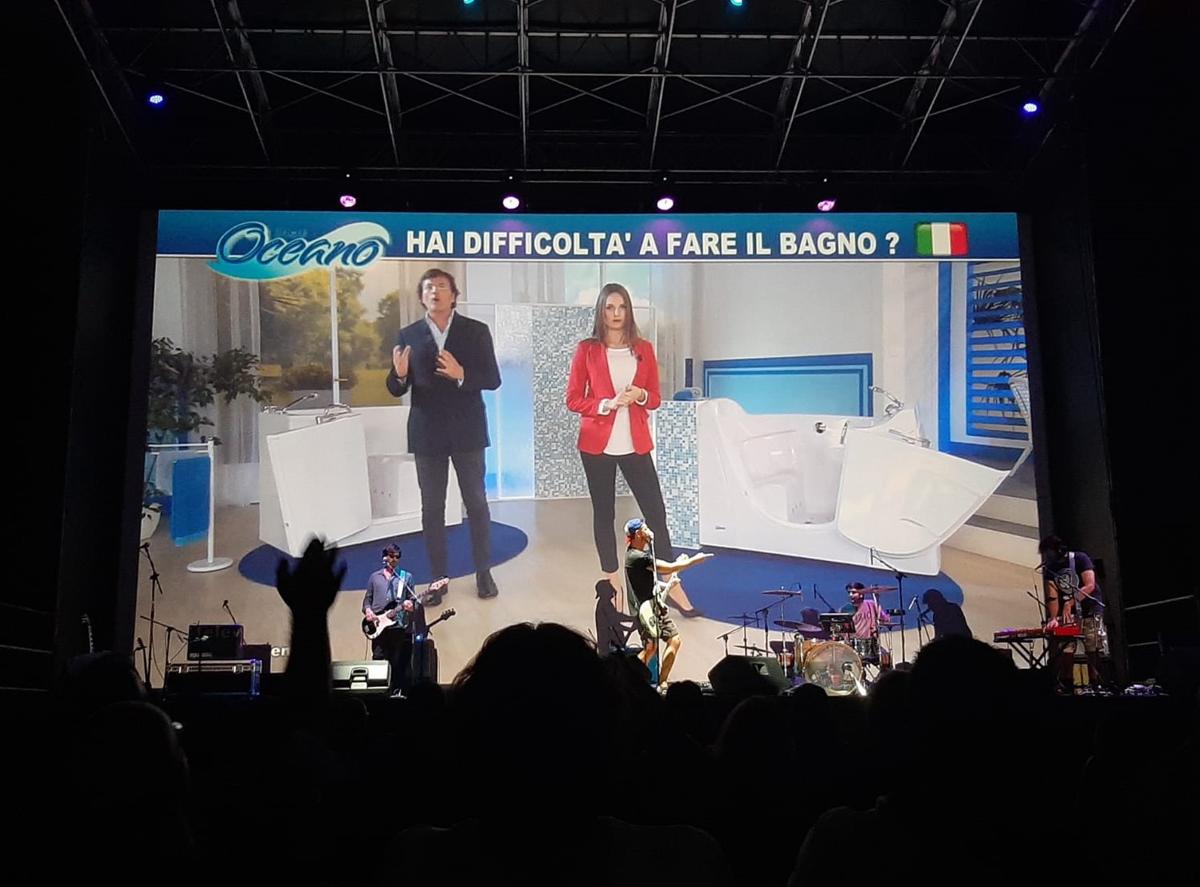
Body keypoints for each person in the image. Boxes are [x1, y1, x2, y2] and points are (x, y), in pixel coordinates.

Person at [566, 282, 701, 617]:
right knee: (604, 514)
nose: (616, 314)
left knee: (656, 513)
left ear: (628, 311)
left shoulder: (643, 348)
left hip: (635, 443)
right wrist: (606, 404)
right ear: (601, 311)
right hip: (596, 445)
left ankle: (671, 583)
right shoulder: (587, 350)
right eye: (609, 307)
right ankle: (611, 586)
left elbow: (654, 397)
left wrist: (639, 395)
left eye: (622, 307)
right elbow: (573, 399)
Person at [387, 268, 502, 601]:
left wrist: (462, 373)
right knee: (432, 509)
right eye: (428, 288)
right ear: (422, 297)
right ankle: (438, 580)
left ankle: (484, 573)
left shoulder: (476, 331)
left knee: (476, 504)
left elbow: (493, 379)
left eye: (441, 286)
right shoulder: (408, 334)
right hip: (427, 433)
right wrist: (399, 376)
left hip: (468, 431)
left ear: (454, 295)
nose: (434, 292)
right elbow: (395, 386)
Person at [623, 518, 712, 688]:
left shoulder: (641, 555)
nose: (649, 531)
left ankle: (662, 682)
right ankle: (629, 680)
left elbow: (655, 577)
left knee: (674, 640)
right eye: (645, 528)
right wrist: (695, 560)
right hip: (645, 611)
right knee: (650, 648)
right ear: (638, 534)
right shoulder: (636, 557)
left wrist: (674, 571)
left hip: (656, 607)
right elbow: (668, 568)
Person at [1038, 534, 1108, 692]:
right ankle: (1067, 683)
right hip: (1068, 613)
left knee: (1092, 645)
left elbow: (1090, 585)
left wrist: (1070, 602)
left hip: (1089, 608)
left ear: (1058, 550)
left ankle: (1095, 683)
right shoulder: (1050, 569)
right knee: (1066, 647)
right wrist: (1053, 618)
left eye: (1048, 552)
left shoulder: (1080, 558)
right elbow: (1052, 597)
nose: (1046, 556)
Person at [362, 544, 423, 695]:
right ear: (385, 557)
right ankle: (378, 692)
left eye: (397, 556)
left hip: (398, 626)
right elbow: (367, 600)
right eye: (391, 556)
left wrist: (411, 606)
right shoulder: (375, 577)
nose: (394, 559)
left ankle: (396, 692)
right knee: (378, 658)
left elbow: (413, 601)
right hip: (377, 626)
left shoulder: (405, 577)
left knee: (397, 661)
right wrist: (368, 611)